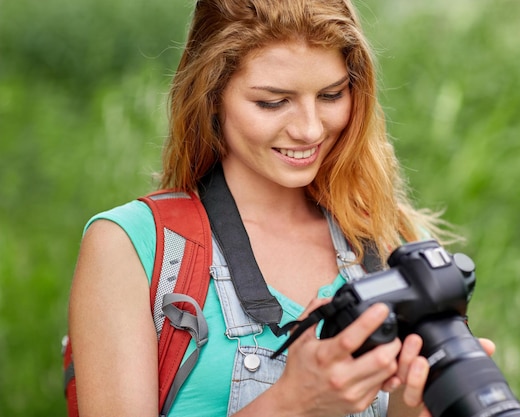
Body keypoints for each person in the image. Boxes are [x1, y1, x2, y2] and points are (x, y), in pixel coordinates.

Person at [68, 1, 495, 416]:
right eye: (273, 102)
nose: (309, 128)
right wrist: (293, 403)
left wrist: (412, 404)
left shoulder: (386, 242)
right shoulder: (131, 246)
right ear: (212, 96)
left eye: (331, 95)